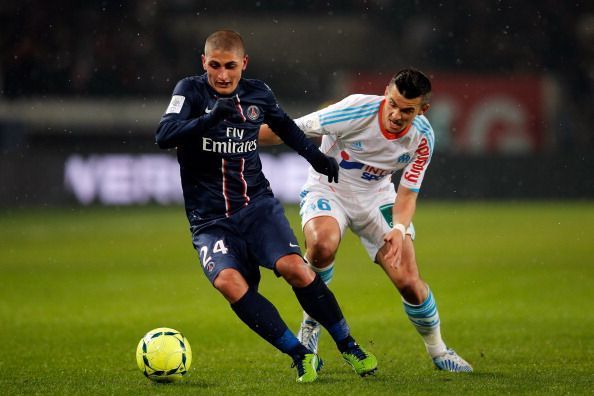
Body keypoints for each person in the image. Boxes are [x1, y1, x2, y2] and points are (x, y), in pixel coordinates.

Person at [155, 30, 377, 383]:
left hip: (256, 207)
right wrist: (209, 119)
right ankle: (300, 354)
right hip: (209, 220)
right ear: (204, 63)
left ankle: (349, 346)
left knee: (296, 269)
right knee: (228, 283)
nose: (222, 74)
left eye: (230, 66)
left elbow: (285, 126)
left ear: (243, 64)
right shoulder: (190, 91)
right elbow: (164, 135)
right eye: (214, 65)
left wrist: (316, 157)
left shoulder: (259, 93)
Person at [259, 68, 473, 372]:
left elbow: (408, 194)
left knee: (409, 282)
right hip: (328, 187)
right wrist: (234, 137)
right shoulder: (354, 109)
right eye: (394, 104)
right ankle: (311, 325)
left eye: (407, 110)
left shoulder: (423, 137)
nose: (397, 114)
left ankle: (439, 351)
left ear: (423, 110)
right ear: (386, 92)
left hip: (378, 197)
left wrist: (399, 229)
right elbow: (288, 130)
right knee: (322, 245)